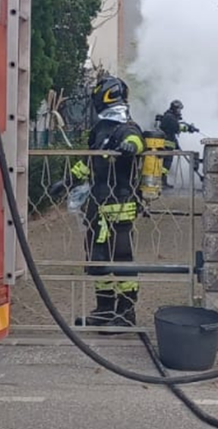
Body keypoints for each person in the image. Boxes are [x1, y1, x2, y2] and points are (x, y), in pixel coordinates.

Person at [69, 75, 144, 328]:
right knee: (97, 260)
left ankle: (125, 313)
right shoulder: (100, 129)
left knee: (121, 259)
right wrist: (67, 180)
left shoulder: (127, 127)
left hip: (120, 204)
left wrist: (130, 147)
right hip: (97, 205)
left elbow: (137, 141)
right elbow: (89, 162)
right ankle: (104, 310)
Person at [157, 100, 199, 187]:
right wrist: (189, 129)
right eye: (179, 109)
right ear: (175, 108)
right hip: (166, 145)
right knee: (166, 164)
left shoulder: (170, 116)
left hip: (168, 143)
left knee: (166, 165)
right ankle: (161, 181)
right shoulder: (169, 117)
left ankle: (162, 181)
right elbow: (177, 127)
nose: (180, 111)